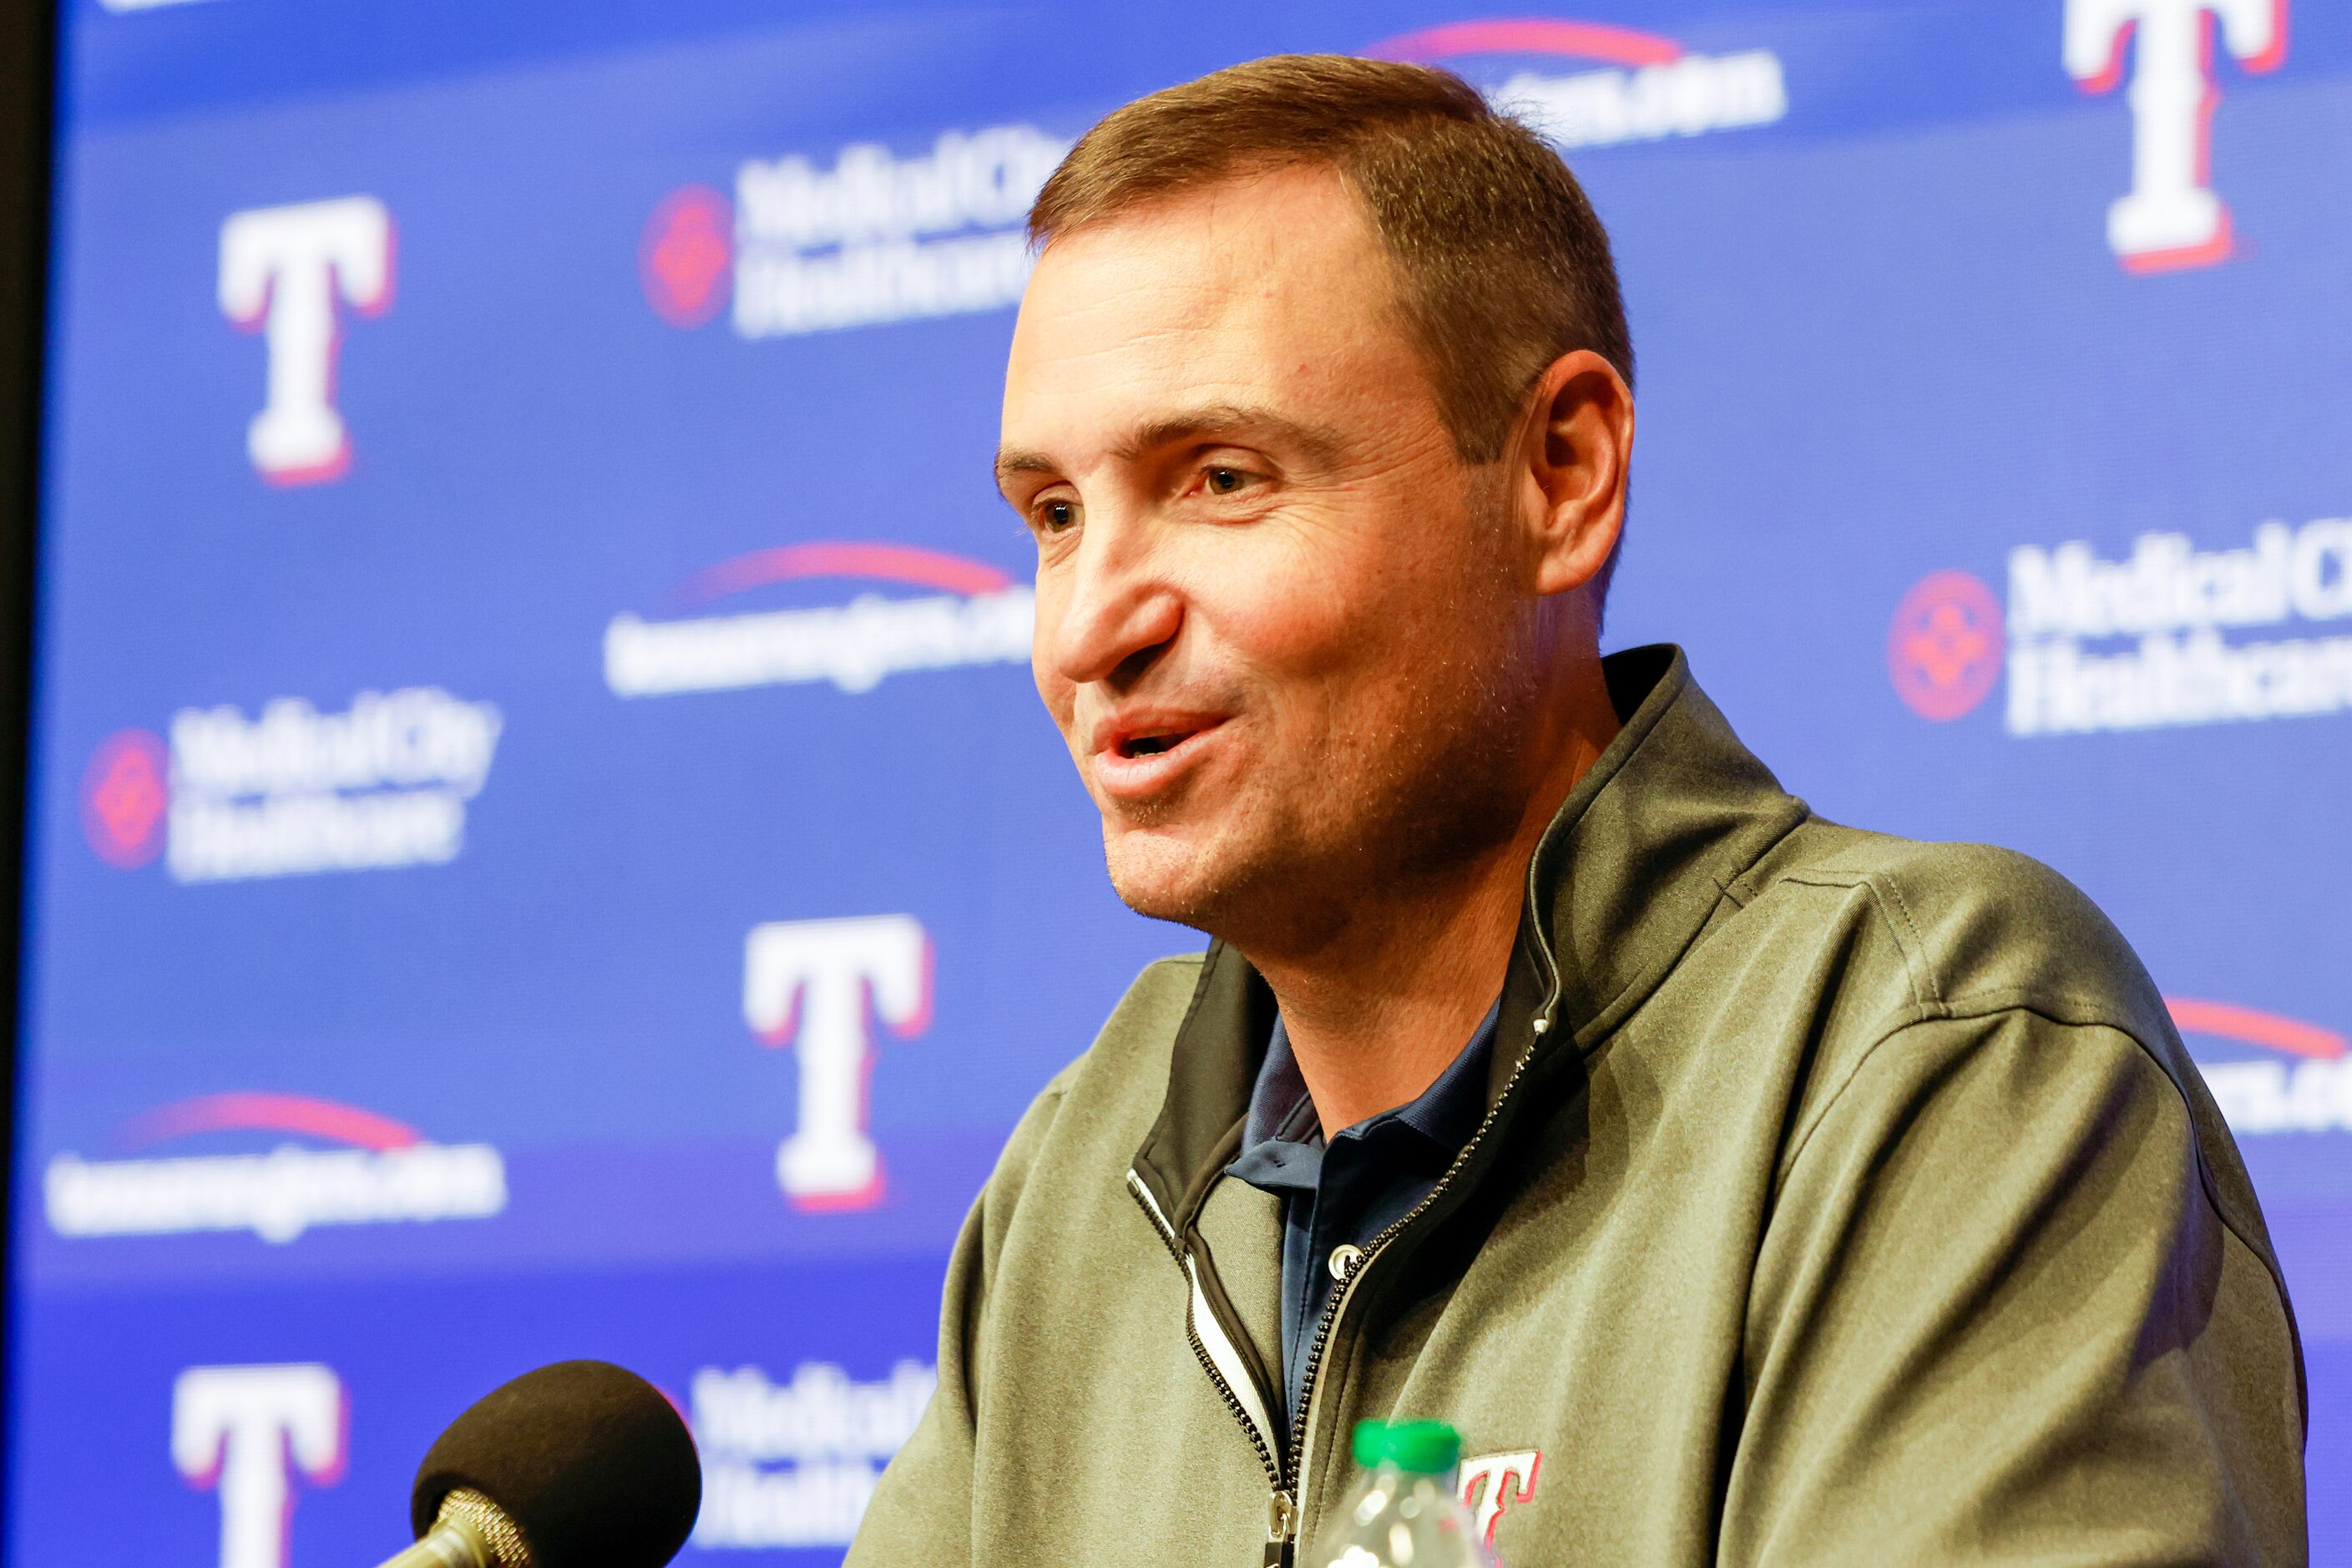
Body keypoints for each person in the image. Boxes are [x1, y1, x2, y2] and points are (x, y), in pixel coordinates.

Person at [846, 54, 2306, 1566]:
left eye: (1219, 478)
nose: (1090, 626)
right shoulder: (1086, 1164)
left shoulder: (1937, 1053)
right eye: (1055, 516)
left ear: (1561, 472)